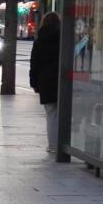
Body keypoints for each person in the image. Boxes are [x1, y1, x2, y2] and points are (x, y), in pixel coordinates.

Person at [30, 12, 61, 154]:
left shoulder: (39, 40)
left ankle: (53, 145)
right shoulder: (63, 38)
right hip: (61, 79)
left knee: (51, 113)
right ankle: (63, 143)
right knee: (62, 112)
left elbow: (34, 64)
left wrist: (34, 84)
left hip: (45, 80)